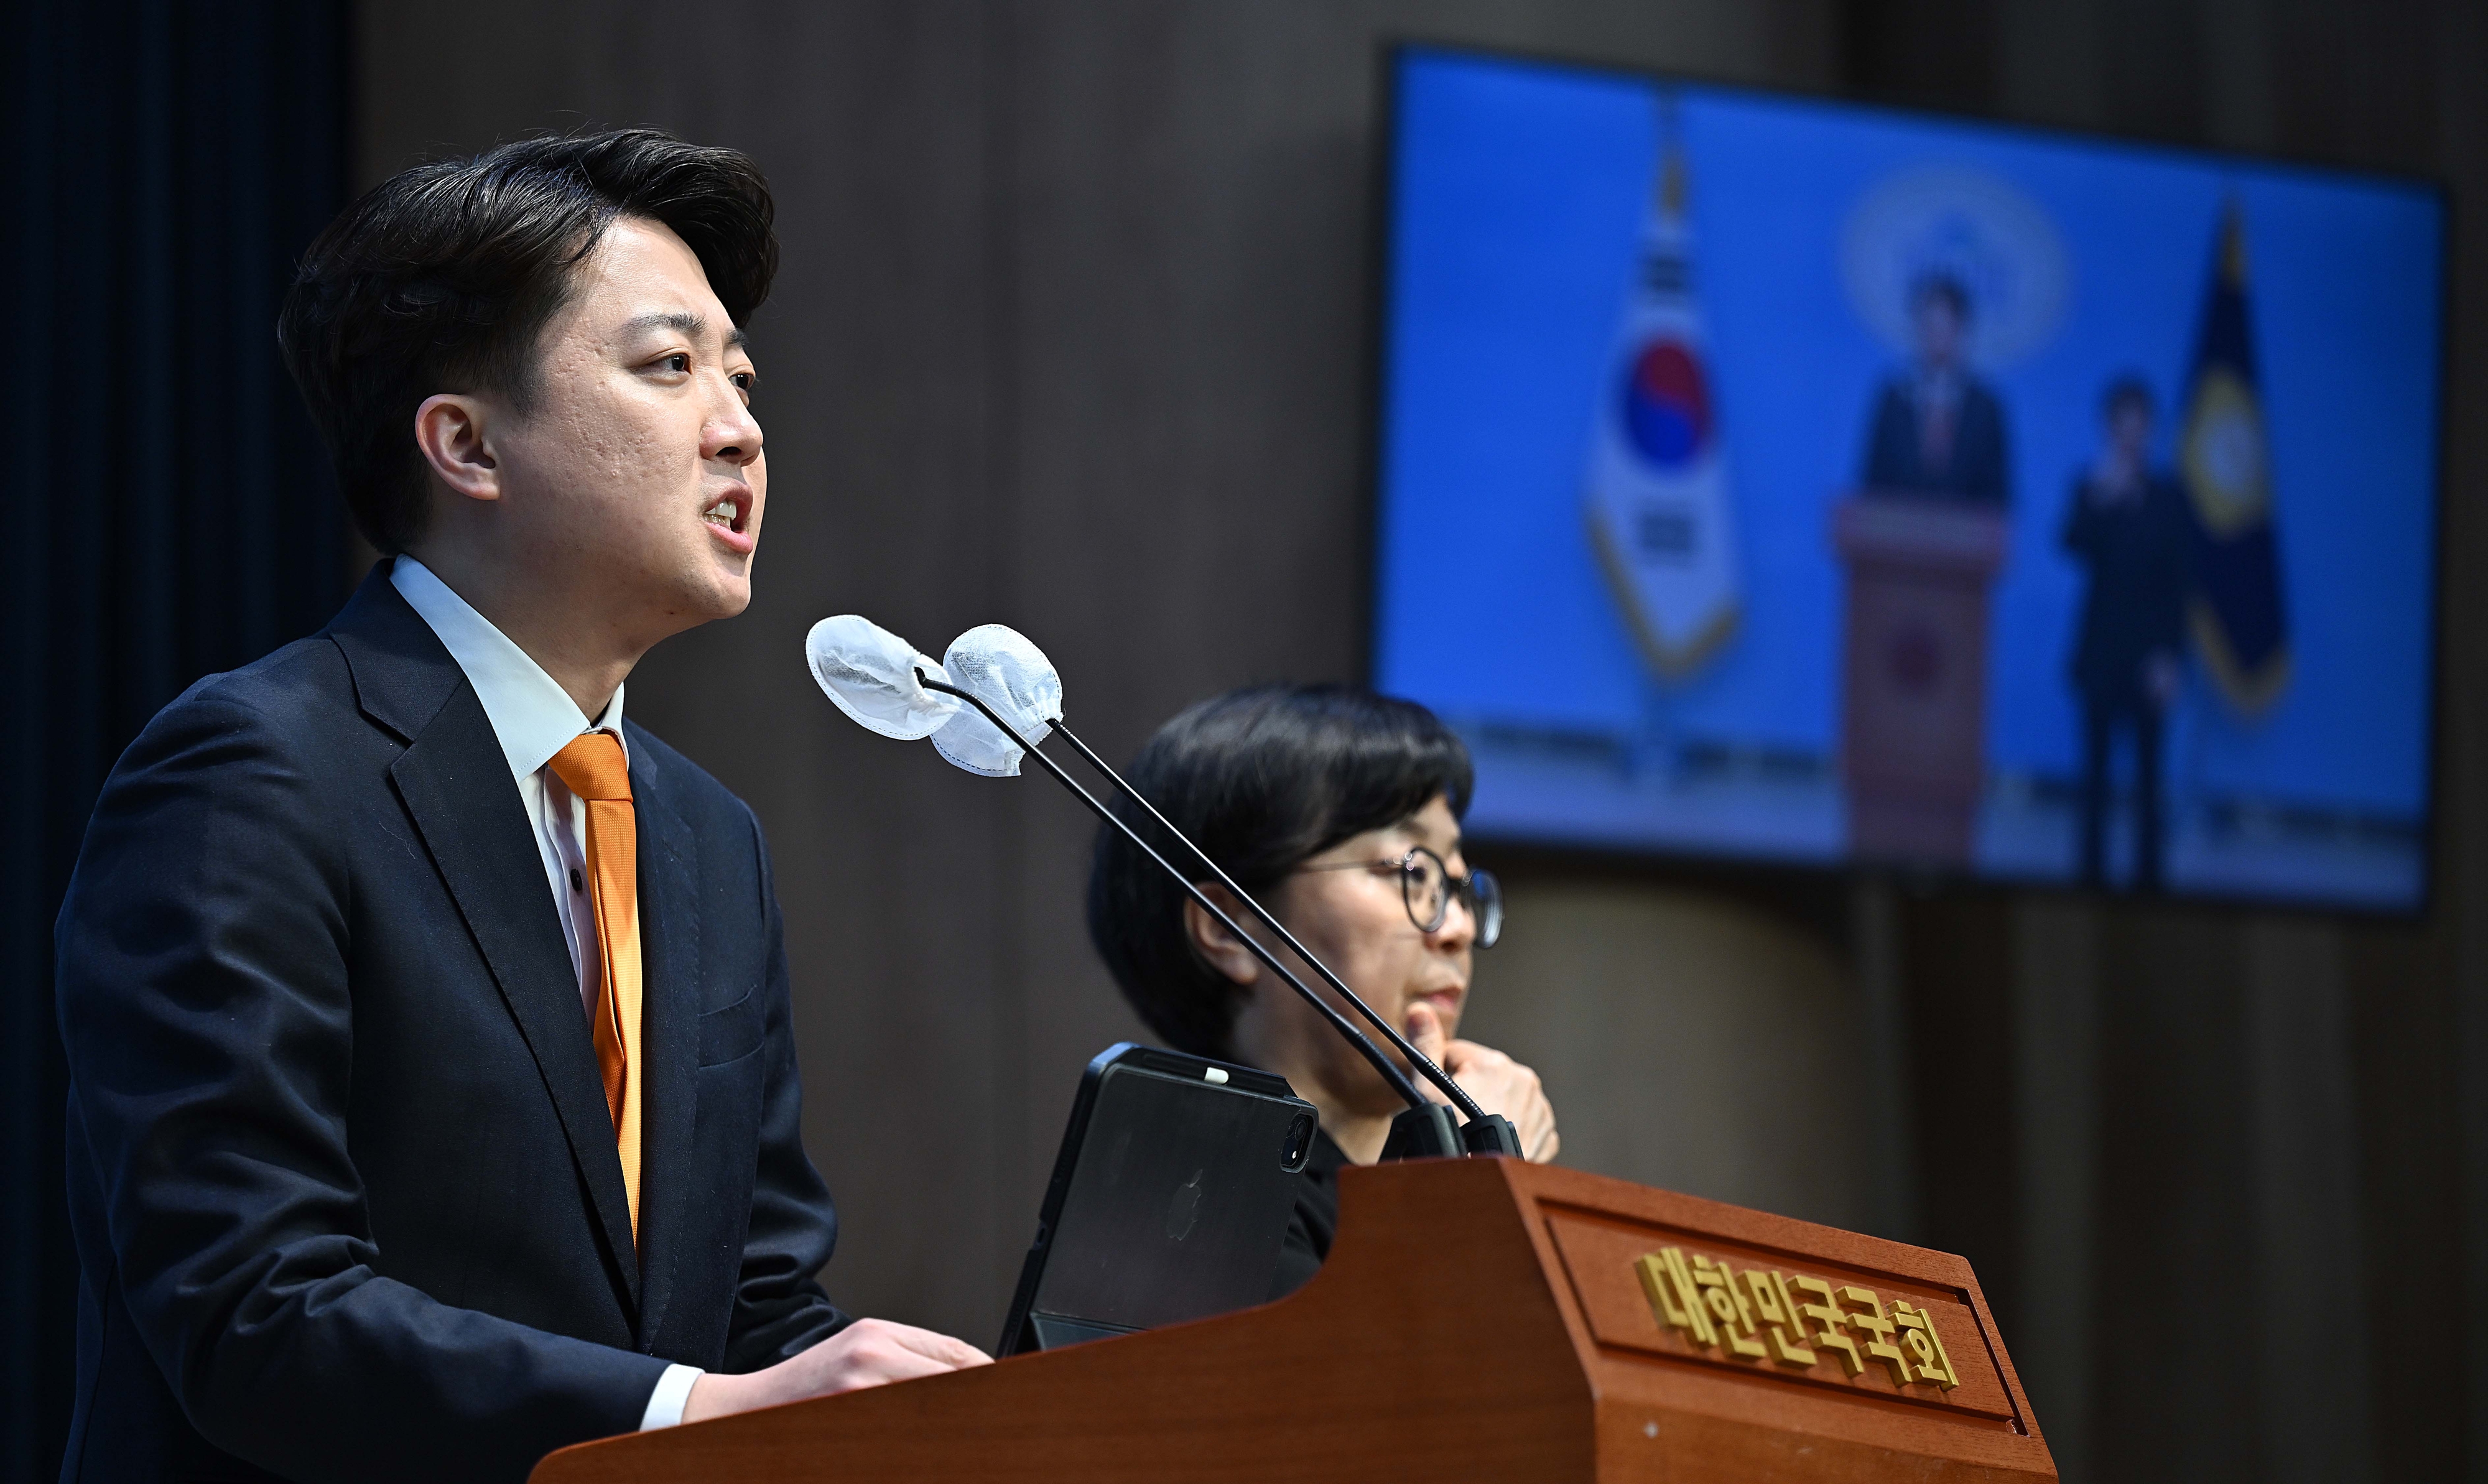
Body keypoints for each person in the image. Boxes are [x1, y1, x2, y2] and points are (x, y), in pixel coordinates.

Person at [53, 132, 988, 1484]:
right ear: (465, 443)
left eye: (738, 374)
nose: (740, 424)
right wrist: (693, 1410)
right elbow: (250, 1306)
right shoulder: (250, 773)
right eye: (668, 367)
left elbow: (753, 1304)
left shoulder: (703, 834)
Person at [1085, 686, 1559, 1298]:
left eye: (1458, 886)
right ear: (1231, 929)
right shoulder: (1189, 1202)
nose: (1458, 927)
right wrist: (1478, 1188)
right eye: (1413, 873)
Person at [2061, 376, 2196, 891]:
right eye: (2121, 425)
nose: (2130, 435)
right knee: (2093, 780)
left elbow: (2181, 585)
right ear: (2108, 429)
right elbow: (2072, 543)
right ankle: (2089, 876)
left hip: (2150, 659)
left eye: (2140, 425)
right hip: (2099, 655)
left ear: (2151, 431)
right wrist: (2104, 496)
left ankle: (2149, 880)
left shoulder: (2171, 497)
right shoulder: (2091, 486)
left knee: (2147, 781)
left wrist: (2171, 657)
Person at [1858, 271, 2012, 506]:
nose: (1936, 335)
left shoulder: (1985, 408)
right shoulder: (1894, 399)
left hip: (1966, 539)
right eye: (1929, 324)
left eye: (1946, 324)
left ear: (1962, 329)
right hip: (1896, 534)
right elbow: (1871, 483)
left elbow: (1998, 497)